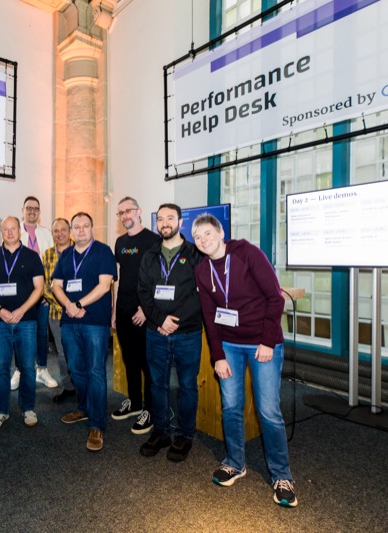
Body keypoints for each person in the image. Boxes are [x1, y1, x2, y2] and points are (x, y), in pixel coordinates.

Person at [192, 213, 296, 508]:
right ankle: (235, 463)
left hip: (262, 343)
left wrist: (267, 341)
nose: (203, 241)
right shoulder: (202, 270)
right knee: (231, 407)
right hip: (229, 346)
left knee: (268, 411)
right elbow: (209, 317)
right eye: (197, 237)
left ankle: (282, 476)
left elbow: (275, 298)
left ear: (220, 233)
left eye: (207, 234)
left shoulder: (248, 254)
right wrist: (217, 356)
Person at [137, 203, 203, 463]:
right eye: (160, 219)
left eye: (170, 218)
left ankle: (185, 435)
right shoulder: (149, 255)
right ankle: (161, 431)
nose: (165, 223)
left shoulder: (195, 253)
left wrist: (174, 321)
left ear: (180, 222)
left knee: (187, 385)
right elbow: (143, 292)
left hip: (187, 333)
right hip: (156, 332)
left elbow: (200, 294)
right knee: (157, 384)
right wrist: (160, 320)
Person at [51, 212, 117, 452]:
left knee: (96, 371)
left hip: (95, 322)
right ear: (72, 231)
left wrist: (78, 304)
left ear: (92, 228)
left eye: (85, 226)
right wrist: (69, 305)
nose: (80, 230)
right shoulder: (66, 254)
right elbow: (56, 285)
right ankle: (86, 407)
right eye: (76, 227)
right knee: (75, 368)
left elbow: (104, 285)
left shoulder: (103, 251)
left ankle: (97, 424)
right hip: (69, 322)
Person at [0, 216, 45, 430]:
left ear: (20, 231)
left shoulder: (32, 256)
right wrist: (0, 310)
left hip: (26, 321)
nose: (9, 232)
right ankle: (1, 411)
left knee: (27, 367)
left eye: (13, 229)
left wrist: (21, 310)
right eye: (5, 229)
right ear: (1, 232)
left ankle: (28, 408)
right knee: (1, 369)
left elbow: (39, 288)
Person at [111, 197, 161, 434]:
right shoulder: (120, 242)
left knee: (146, 363)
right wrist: (114, 311)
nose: (124, 216)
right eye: (120, 213)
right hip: (123, 310)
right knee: (129, 358)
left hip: (144, 312)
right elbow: (118, 279)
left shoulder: (153, 240)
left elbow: (159, 278)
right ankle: (134, 402)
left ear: (139, 211)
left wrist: (145, 309)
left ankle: (150, 410)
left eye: (128, 211)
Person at [14, 195, 58, 390]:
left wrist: (47, 293)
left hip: (42, 295)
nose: (32, 211)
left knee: (41, 332)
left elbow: (51, 264)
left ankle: (42, 368)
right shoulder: (15, 232)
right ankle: (19, 370)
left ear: (39, 212)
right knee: (20, 331)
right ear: (22, 210)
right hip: (21, 294)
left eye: (36, 209)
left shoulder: (46, 233)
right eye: (29, 208)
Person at [42, 218, 76, 402]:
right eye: (56, 231)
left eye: (63, 230)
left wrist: (74, 306)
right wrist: (62, 304)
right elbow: (44, 284)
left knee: (80, 352)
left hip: (80, 312)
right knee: (62, 353)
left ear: (69, 230)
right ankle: (68, 386)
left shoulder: (80, 251)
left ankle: (83, 386)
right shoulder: (47, 255)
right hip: (56, 313)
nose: (60, 234)